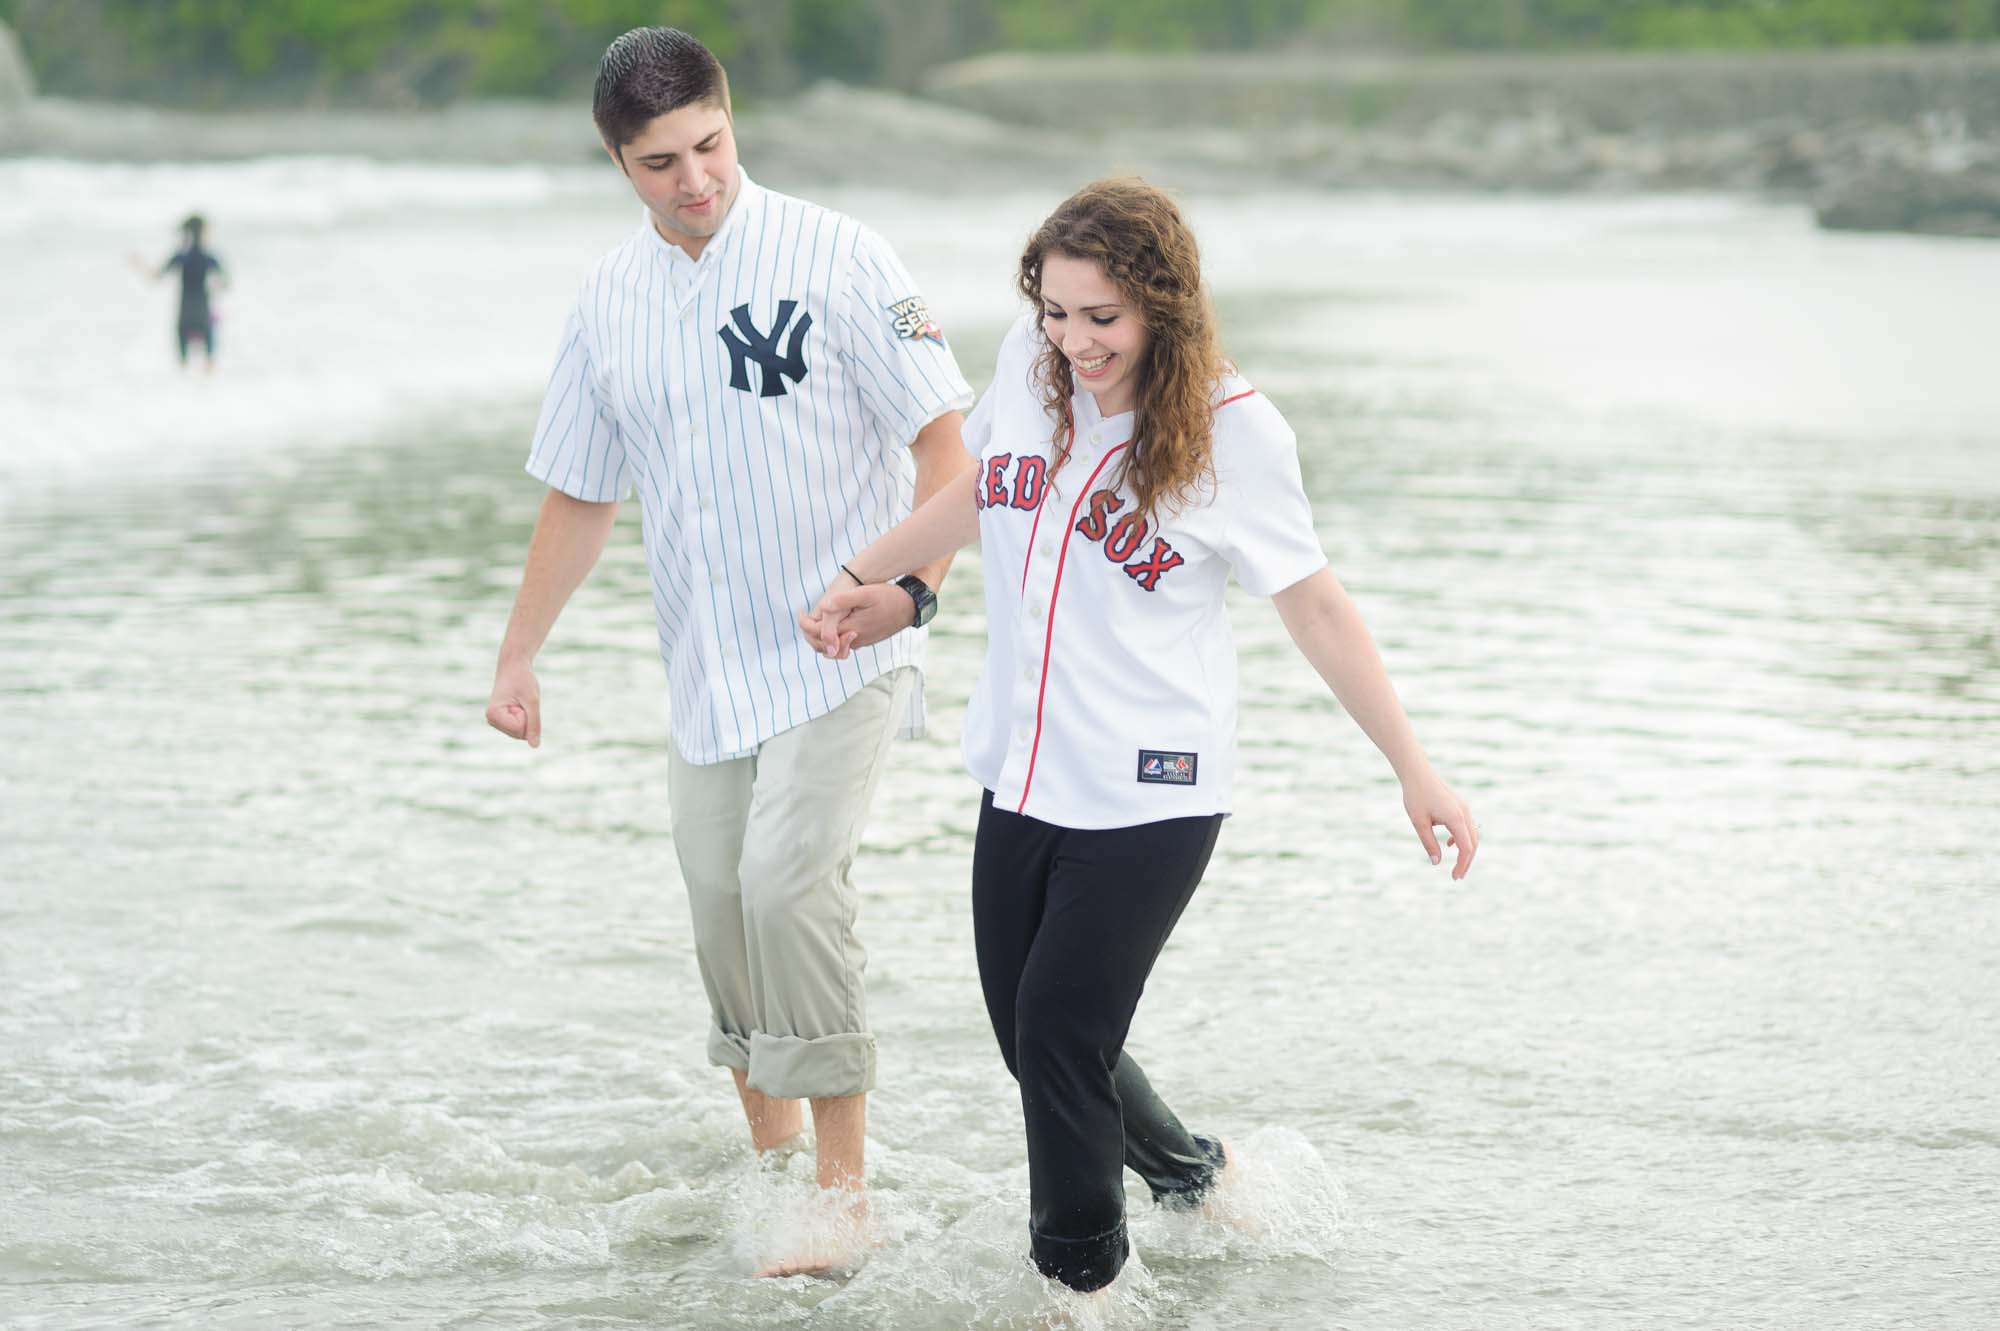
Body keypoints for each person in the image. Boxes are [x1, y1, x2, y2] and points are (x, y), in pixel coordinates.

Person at [802, 178, 1478, 1296]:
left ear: (1163, 304)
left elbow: (1312, 603)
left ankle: (1079, 1290)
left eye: (1099, 317)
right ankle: (1194, 1175)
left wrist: (1414, 767)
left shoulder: (1233, 431)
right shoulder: (1035, 365)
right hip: (1019, 769)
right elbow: (988, 492)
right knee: (1035, 1036)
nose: (1073, 340)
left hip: (1150, 791)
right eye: (1055, 310)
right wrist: (878, 581)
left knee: (1059, 1037)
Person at [483, 26, 974, 1270]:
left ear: (729, 117)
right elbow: (578, 494)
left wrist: (906, 589)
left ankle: (842, 1191)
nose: (694, 178)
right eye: (658, 163)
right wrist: (516, 655)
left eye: (708, 144)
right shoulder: (608, 301)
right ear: (616, 161)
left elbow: (947, 453)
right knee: (719, 904)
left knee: (787, 884)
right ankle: (769, 1175)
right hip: (705, 670)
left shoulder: (841, 254)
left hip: (843, 647)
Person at [155, 214, 225, 371]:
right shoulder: (209, 257)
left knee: (183, 365)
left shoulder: (181, 256)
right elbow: (224, 283)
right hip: (202, 311)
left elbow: (157, 277)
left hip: (185, 312)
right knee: (209, 362)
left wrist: (138, 264)